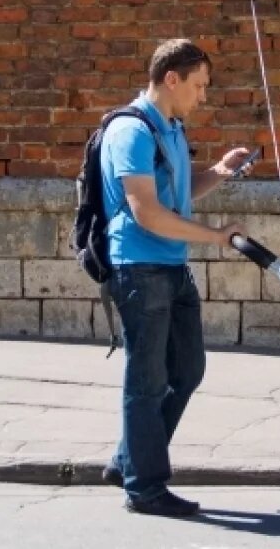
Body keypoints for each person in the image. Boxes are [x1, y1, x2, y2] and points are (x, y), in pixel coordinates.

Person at [99, 38, 252, 518]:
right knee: (146, 380)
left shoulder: (171, 127)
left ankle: (129, 458)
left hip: (171, 267)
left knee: (187, 370)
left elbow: (178, 194)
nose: (202, 96)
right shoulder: (132, 131)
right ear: (171, 79)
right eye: (199, 85)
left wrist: (222, 172)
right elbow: (146, 213)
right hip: (140, 268)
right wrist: (217, 237)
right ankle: (144, 487)